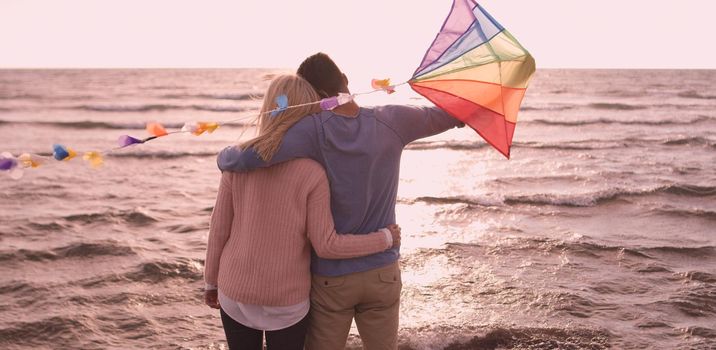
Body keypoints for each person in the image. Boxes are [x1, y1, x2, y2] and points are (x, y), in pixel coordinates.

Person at [217, 53, 463, 350]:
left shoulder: (312, 129)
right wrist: (470, 109)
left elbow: (253, 155)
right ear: (345, 79)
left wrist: (224, 157)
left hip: (332, 278)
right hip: (382, 272)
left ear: (314, 97)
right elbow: (449, 115)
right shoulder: (394, 119)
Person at [203, 74, 402, 350]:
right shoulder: (313, 172)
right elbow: (327, 245)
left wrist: (210, 282)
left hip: (235, 291)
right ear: (309, 111)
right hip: (287, 300)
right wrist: (385, 239)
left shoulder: (238, 162)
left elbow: (219, 230)